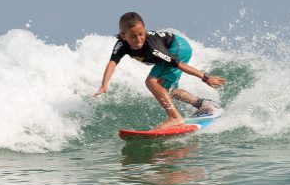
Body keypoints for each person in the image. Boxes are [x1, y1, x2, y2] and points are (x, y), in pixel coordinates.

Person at [94, 12, 226, 129]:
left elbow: (179, 64)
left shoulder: (153, 47)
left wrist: (206, 77)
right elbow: (112, 62)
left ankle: (175, 117)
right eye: (133, 36)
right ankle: (204, 104)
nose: (139, 39)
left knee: (151, 82)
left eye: (141, 34)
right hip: (175, 48)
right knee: (166, 90)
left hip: (179, 47)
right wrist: (104, 84)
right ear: (123, 36)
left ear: (144, 30)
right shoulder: (121, 45)